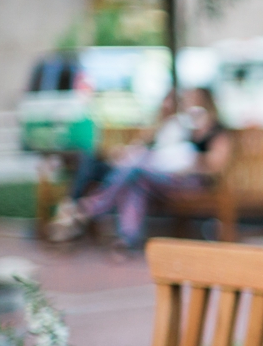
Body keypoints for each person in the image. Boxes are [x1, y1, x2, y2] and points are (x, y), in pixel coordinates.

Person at [49, 87, 230, 247]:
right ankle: (127, 239)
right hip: (159, 176)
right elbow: (143, 146)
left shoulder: (216, 130)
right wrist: (163, 123)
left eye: (194, 100)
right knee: (136, 180)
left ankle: (88, 209)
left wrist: (189, 160)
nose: (190, 105)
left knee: (135, 170)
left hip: (190, 181)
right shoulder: (182, 126)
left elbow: (215, 164)